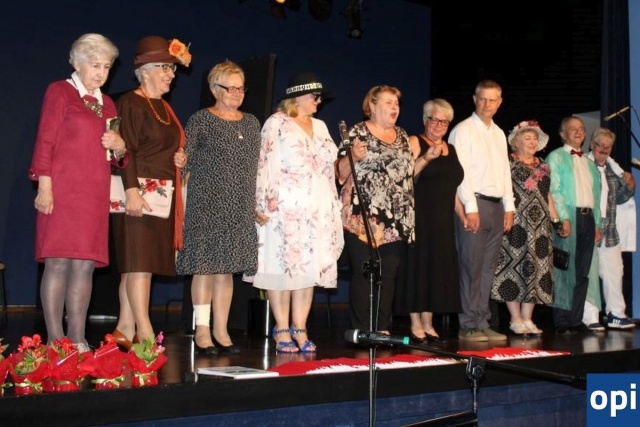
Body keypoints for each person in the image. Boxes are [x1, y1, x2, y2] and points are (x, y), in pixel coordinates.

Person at [29, 33, 126, 351]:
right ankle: (55, 339)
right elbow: (45, 138)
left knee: (85, 265)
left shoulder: (107, 103)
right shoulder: (60, 91)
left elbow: (115, 156)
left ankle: (78, 337)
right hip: (62, 189)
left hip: (93, 193)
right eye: (95, 65)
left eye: (106, 67)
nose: (101, 73)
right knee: (58, 262)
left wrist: (120, 146)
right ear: (77, 63)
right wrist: (44, 184)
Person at [253, 72, 344, 353]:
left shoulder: (321, 126)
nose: (319, 101)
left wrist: (334, 204)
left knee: (308, 268)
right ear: (298, 97)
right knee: (282, 266)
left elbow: (330, 169)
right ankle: (281, 328)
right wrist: (260, 202)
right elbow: (263, 163)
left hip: (317, 207)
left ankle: (300, 328)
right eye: (315, 96)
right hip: (284, 207)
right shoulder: (277, 123)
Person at [110, 35, 191, 348]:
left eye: (172, 69)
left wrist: (179, 158)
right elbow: (124, 150)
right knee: (139, 265)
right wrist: (131, 190)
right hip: (136, 192)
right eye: (164, 68)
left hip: (160, 194)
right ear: (144, 71)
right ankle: (145, 332)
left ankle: (124, 328)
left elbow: (165, 147)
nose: (171, 74)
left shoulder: (163, 107)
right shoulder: (129, 103)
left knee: (138, 266)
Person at [176, 60, 261, 354]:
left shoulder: (252, 123)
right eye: (230, 88)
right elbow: (184, 159)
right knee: (205, 268)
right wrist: (180, 162)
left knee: (226, 271)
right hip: (206, 205)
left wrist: (256, 202)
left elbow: (257, 166)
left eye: (241, 88)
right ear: (214, 89)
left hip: (239, 206)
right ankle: (202, 330)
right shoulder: (201, 120)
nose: (237, 93)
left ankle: (221, 330)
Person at [336, 85, 415, 335]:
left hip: (396, 218)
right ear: (372, 105)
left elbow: (407, 176)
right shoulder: (357, 132)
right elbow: (339, 174)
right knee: (364, 273)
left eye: (397, 103)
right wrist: (354, 157)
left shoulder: (402, 135)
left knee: (388, 274)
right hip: (363, 216)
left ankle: (381, 328)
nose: (395, 107)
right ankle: (362, 330)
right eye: (389, 102)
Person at [449, 79, 515, 342]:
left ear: (499, 103)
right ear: (475, 100)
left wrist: (509, 206)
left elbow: (504, 172)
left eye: (492, 100)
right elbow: (460, 172)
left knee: (487, 268)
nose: (487, 104)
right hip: (475, 203)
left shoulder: (498, 133)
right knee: (470, 266)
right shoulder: (463, 130)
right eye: (483, 99)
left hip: (496, 206)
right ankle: (468, 324)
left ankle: (482, 320)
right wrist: (470, 207)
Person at [395, 99, 463, 343]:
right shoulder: (415, 141)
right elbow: (405, 177)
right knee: (419, 267)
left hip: (443, 220)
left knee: (436, 269)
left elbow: (452, 187)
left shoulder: (451, 149)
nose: (439, 125)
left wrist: (463, 214)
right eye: (434, 120)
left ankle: (428, 322)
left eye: (444, 122)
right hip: (420, 216)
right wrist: (426, 158)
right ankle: (415, 323)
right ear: (425, 120)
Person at [491, 120, 558, 336]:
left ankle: (528, 318)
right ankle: (515, 318)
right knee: (513, 268)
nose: (532, 142)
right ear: (516, 141)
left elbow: (548, 194)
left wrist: (555, 219)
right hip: (516, 221)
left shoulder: (543, 164)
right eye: (527, 138)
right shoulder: (507, 162)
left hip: (540, 226)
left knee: (537, 270)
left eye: (535, 138)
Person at [545, 116, 602, 335]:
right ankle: (562, 321)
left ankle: (576, 320)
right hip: (569, 215)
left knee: (582, 272)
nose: (578, 132)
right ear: (562, 134)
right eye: (572, 128)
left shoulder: (589, 163)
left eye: (581, 128)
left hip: (588, 218)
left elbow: (596, 196)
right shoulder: (556, 157)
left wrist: (597, 224)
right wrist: (563, 218)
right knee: (564, 270)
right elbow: (554, 189)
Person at [581, 127, 635, 330]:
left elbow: (620, 199)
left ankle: (616, 315)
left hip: (610, 231)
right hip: (589, 229)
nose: (604, 149)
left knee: (615, 274)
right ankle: (590, 316)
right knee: (589, 275)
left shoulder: (614, 170)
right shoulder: (583, 167)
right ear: (591, 145)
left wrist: (630, 186)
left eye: (608, 146)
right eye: (600, 145)